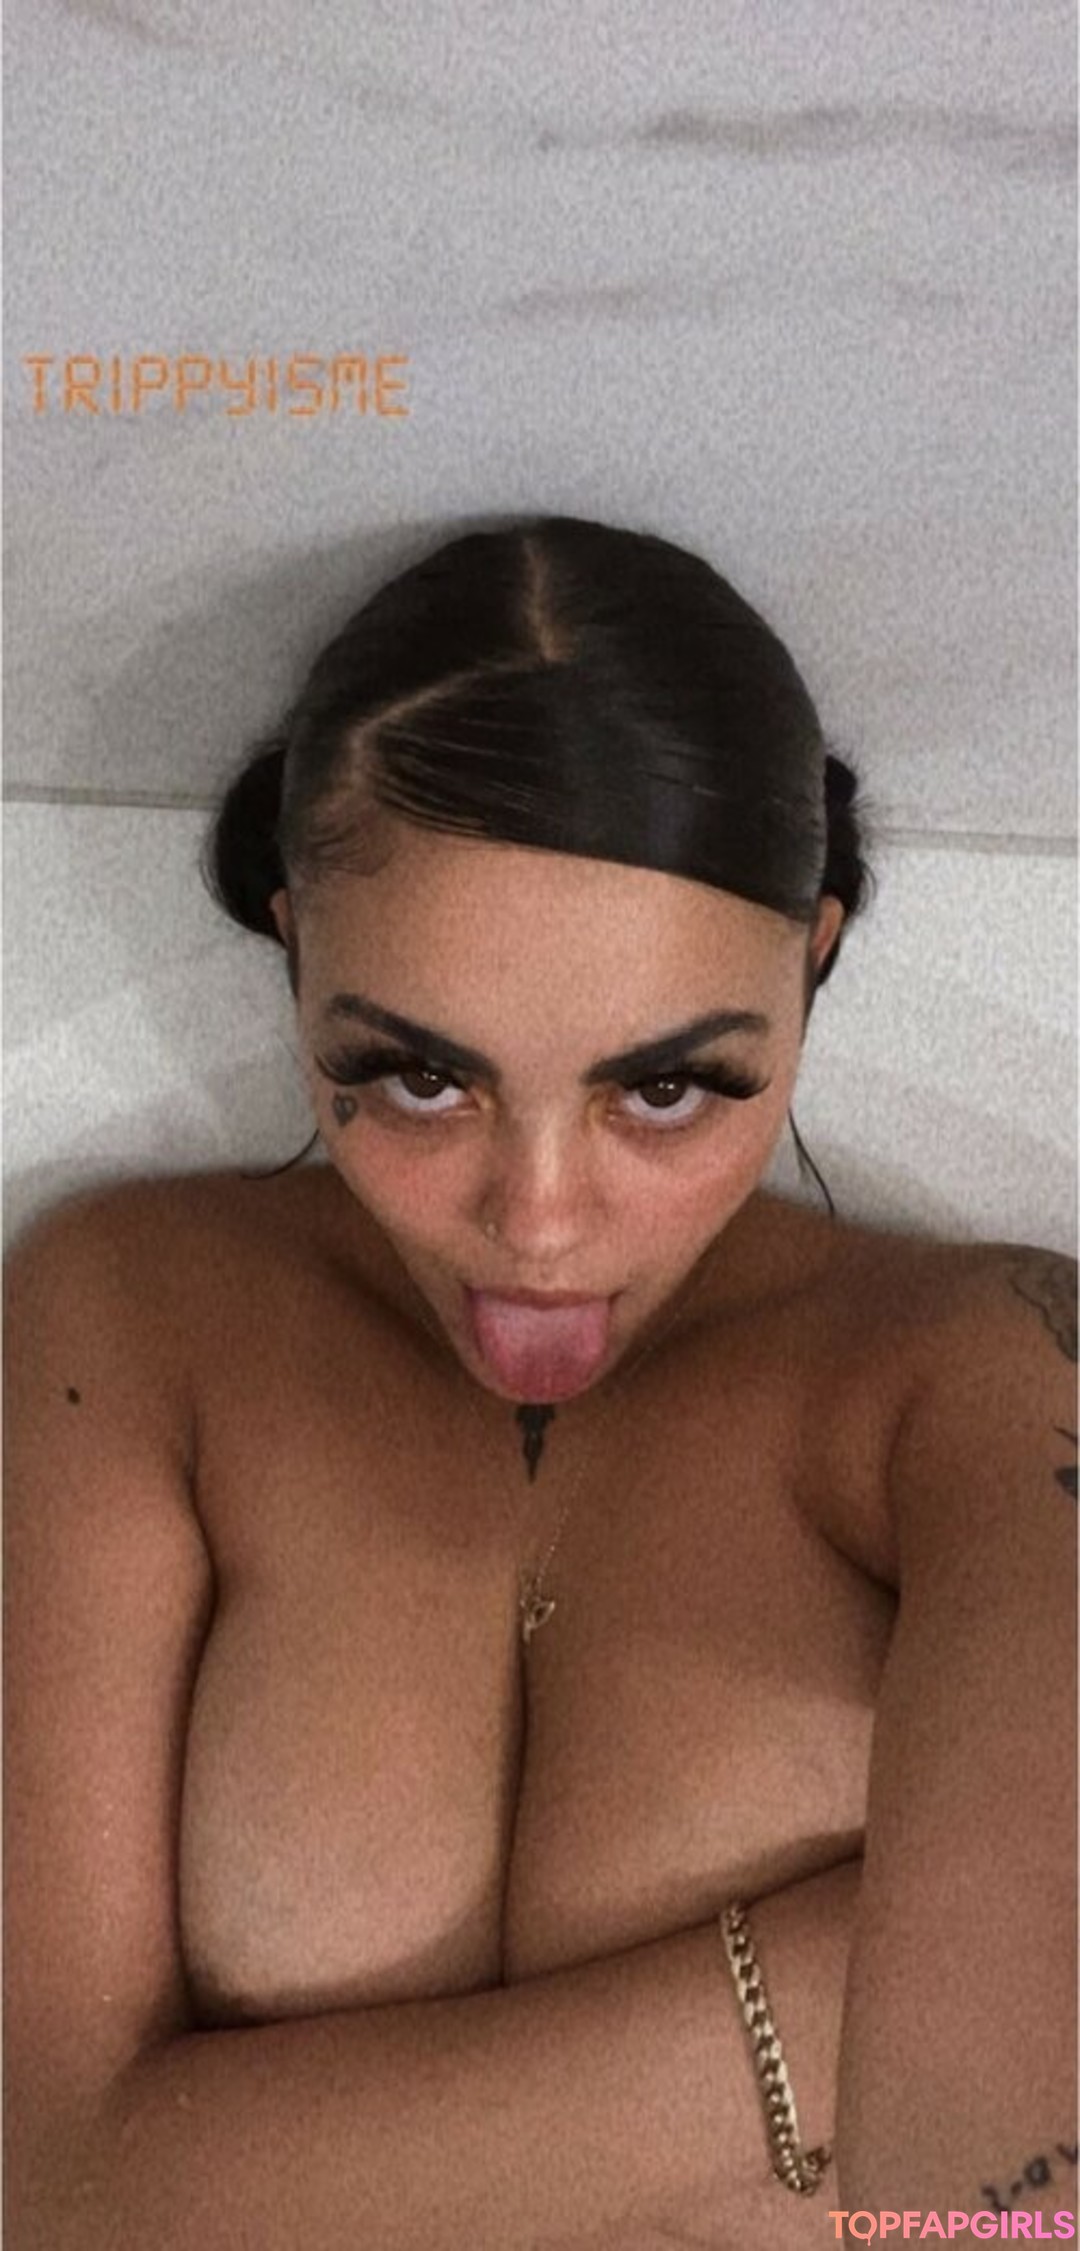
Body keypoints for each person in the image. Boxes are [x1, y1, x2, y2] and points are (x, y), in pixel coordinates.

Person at [5, 515, 1075, 2251]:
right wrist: (833, 1987)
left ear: (812, 958)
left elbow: (998, 2224)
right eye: (419, 1078)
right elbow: (54, 2196)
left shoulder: (989, 1379)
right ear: (293, 947)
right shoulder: (133, 1318)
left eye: (669, 1088)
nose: (541, 1223)